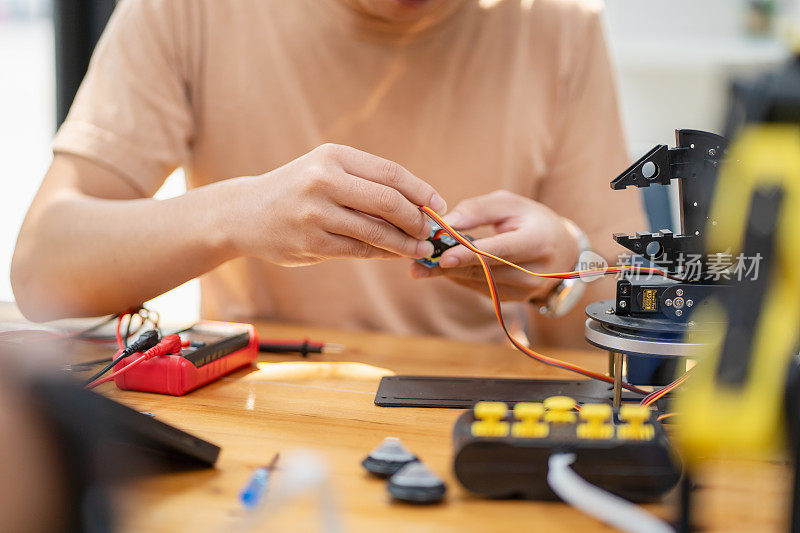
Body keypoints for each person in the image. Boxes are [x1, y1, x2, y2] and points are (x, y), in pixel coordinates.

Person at [12, 0, 644, 347]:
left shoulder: (562, 29)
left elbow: (634, 321)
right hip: (263, 406)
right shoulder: (187, 10)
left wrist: (562, 268)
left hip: (468, 416)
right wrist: (237, 214)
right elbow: (45, 270)